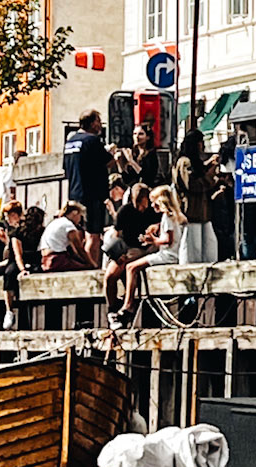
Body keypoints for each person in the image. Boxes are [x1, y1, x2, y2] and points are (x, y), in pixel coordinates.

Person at [116, 185, 183, 321]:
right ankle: (129, 301)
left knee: (130, 267)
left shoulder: (168, 217)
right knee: (134, 266)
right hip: (169, 253)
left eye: (154, 202)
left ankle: (128, 304)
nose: (152, 206)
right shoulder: (173, 216)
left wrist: (153, 240)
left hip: (168, 255)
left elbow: (168, 240)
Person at [62, 110, 108, 267]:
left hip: (74, 194)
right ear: (93, 122)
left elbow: (65, 169)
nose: (100, 125)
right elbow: (106, 162)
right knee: (93, 235)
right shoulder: (92, 140)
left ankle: (79, 265)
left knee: (78, 234)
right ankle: (92, 267)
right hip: (92, 194)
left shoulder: (70, 142)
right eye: (99, 121)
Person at [172, 129, 223, 267]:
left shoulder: (193, 161)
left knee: (209, 247)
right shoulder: (184, 162)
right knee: (191, 249)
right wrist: (210, 178)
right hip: (191, 211)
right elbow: (192, 184)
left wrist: (209, 165)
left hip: (203, 212)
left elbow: (198, 171)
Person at [0, 201, 30, 325]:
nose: (6, 219)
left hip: (18, 262)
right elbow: (10, 249)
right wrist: (5, 240)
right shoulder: (13, 230)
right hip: (12, 260)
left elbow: (17, 253)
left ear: (15, 215)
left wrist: (21, 269)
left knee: (8, 273)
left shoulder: (18, 231)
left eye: (8, 216)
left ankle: (9, 311)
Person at [39, 200, 88, 272]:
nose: (80, 220)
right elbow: (79, 249)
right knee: (86, 268)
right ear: (75, 213)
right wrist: (91, 263)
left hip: (45, 260)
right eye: (80, 216)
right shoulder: (68, 225)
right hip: (57, 259)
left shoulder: (55, 222)